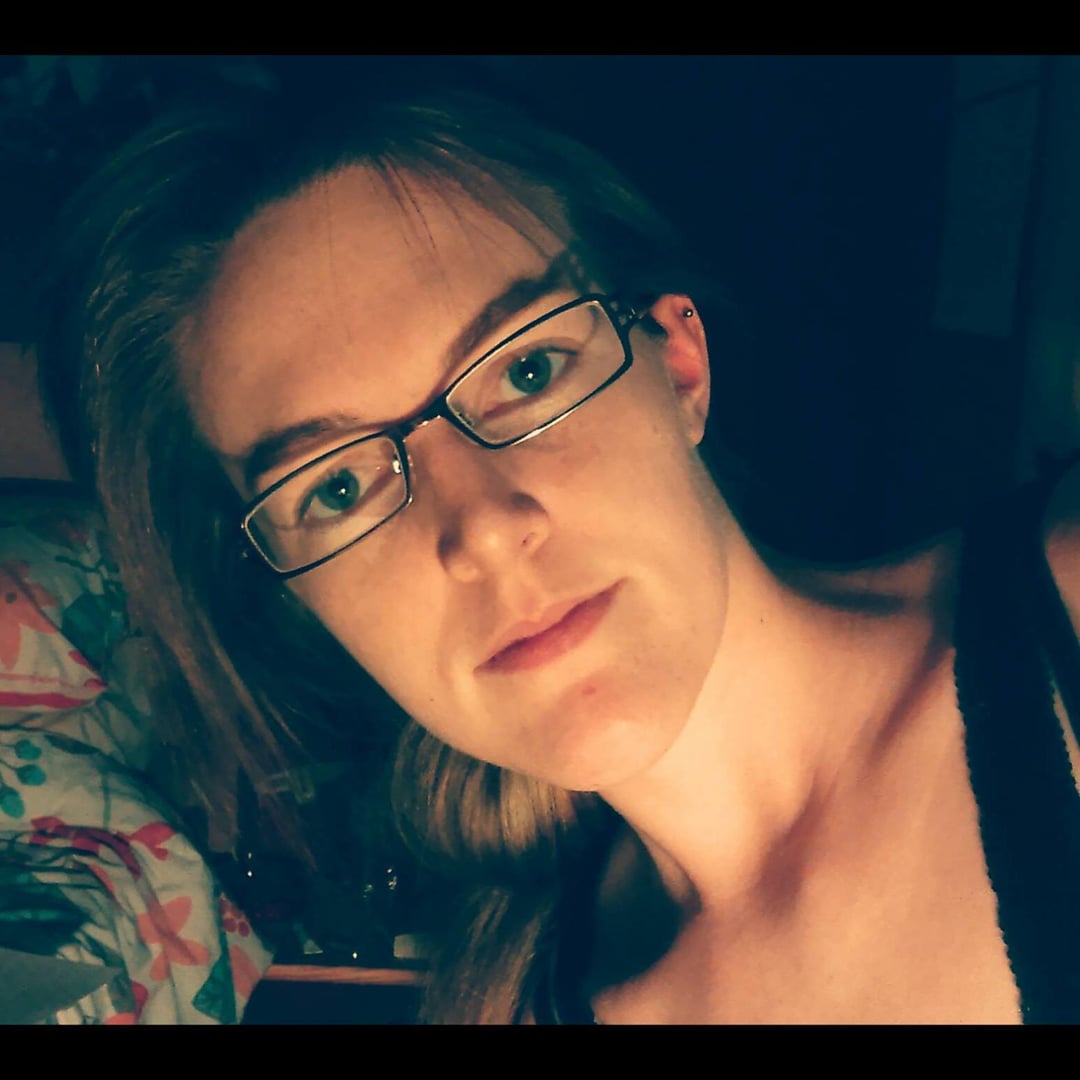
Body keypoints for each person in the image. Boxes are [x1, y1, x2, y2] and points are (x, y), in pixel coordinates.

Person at [31, 56, 1080, 1024]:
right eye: (337, 487)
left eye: (526, 370)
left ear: (677, 364)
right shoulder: (526, 994)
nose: (484, 531)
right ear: (298, 595)